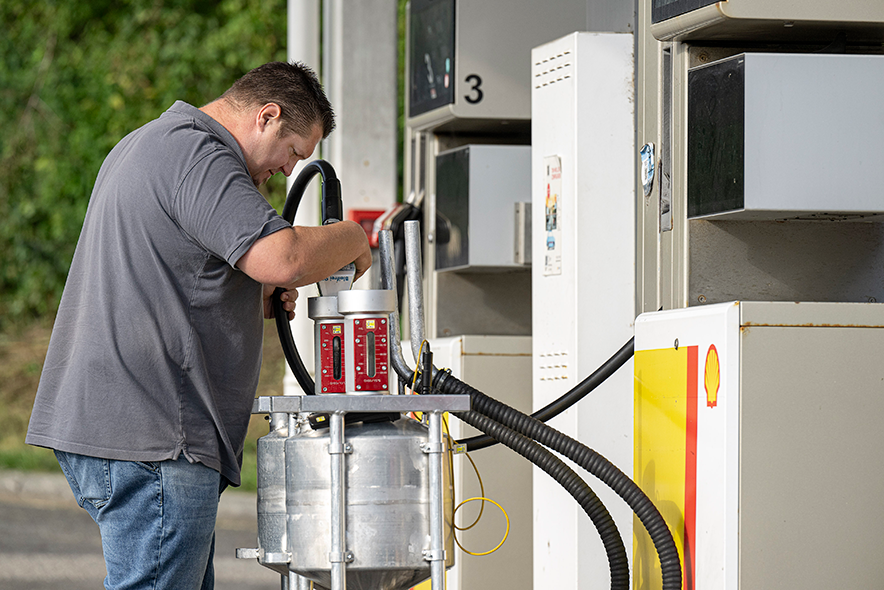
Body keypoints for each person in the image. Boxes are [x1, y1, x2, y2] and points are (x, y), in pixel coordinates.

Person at [26, 61, 371, 590]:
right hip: (156, 433)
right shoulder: (198, 155)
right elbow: (285, 259)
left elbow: (173, 273)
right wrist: (352, 239)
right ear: (268, 116)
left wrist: (243, 296)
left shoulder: (150, 143)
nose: (286, 171)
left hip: (130, 427)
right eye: (294, 153)